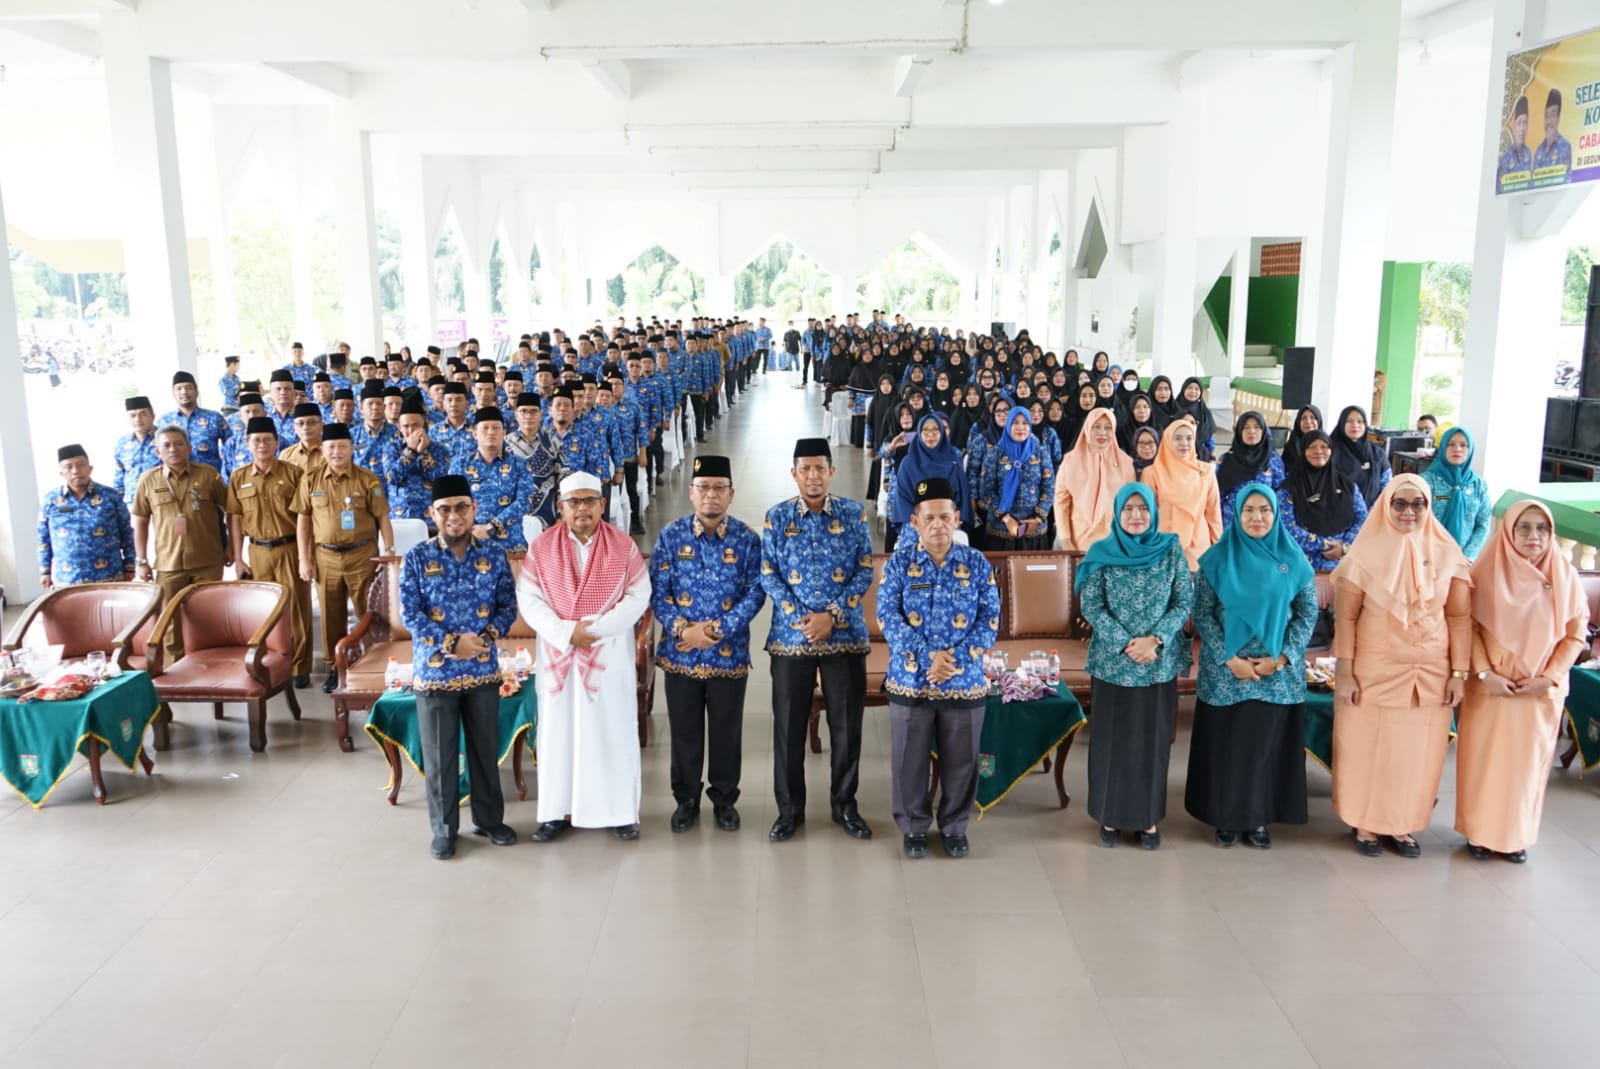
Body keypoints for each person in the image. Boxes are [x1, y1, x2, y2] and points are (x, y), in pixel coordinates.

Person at [1331, 475, 1472, 858]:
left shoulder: (1447, 553)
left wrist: (1459, 672)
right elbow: (1345, 619)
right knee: (1367, 748)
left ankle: (1403, 824)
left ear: (1428, 507)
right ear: (1386, 506)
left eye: (1418, 504)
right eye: (1400, 503)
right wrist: (1344, 670)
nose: (1409, 512)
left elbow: (1459, 618)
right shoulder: (1363, 554)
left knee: (1417, 754)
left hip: (1429, 673)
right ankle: (1365, 824)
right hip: (1372, 669)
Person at [518, 472, 651, 842]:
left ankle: (620, 812)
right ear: (560, 507)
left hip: (608, 655)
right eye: (573, 502)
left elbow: (639, 596)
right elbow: (529, 599)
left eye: (589, 501)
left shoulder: (622, 546)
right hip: (560, 654)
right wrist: (566, 633)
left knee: (613, 731)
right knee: (559, 734)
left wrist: (592, 631)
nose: (582, 509)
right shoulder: (541, 548)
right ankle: (556, 812)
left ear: (602, 505)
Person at [1186, 486, 1318, 848]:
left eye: (1265, 511)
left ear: (1276, 516)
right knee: (1228, 745)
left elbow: (1307, 614)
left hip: (1278, 673)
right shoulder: (1216, 559)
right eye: (1249, 510)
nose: (1257, 518)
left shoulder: (1294, 560)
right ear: (1237, 515)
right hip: (1227, 671)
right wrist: (1230, 659)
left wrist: (1283, 657)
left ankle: (1258, 818)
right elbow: (1203, 613)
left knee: (1264, 746)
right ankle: (1225, 817)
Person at [1456, 501, 1588, 863]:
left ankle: (1515, 836)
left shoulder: (1564, 575)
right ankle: (1479, 833)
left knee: (1526, 767)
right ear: (1509, 531)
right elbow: (1469, 625)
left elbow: (1576, 634)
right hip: (1492, 687)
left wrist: (1549, 677)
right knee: (1485, 761)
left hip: (1539, 691)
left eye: (1542, 528)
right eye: (1525, 527)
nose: (1534, 536)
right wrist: (1485, 673)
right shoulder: (1487, 571)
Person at [877, 476, 1000, 859]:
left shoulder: (977, 563)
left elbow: (990, 618)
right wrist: (928, 655)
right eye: (929, 518)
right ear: (914, 522)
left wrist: (955, 660)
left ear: (958, 518)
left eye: (945, 517)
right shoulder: (899, 563)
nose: (938, 526)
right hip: (911, 679)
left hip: (963, 681)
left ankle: (954, 826)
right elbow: (887, 616)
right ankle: (913, 826)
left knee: (963, 760)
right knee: (908, 761)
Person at [398, 474, 519, 860]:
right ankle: (445, 829)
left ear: (474, 510)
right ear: (432, 513)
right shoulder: (418, 557)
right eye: (445, 509)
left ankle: (489, 820)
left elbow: (507, 607)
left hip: (482, 668)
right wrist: (451, 642)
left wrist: (482, 638)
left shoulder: (494, 555)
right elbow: (410, 614)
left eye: (462, 507)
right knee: (440, 755)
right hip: (435, 673)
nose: (454, 516)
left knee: (485, 750)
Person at [760, 438, 875, 843]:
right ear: (794, 473)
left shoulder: (852, 514)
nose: (812, 475)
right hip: (791, 639)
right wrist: (801, 618)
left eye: (819, 468)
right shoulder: (777, 517)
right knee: (788, 728)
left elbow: (864, 570)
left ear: (831, 471)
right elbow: (768, 573)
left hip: (843, 636)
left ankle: (845, 806)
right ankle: (789, 811)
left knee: (846, 727)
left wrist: (833, 616)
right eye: (804, 468)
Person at [649, 455, 766, 834]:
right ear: (691, 493)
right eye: (703, 488)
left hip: (727, 654)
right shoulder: (670, 536)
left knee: (726, 731)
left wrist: (718, 629)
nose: (710, 496)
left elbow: (755, 593)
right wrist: (684, 630)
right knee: (683, 730)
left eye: (718, 488)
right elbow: (658, 593)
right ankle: (686, 800)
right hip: (681, 654)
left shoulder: (747, 540)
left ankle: (724, 800)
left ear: (731, 494)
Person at [1076, 484, 1194, 849]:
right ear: (1117, 513)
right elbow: (1091, 605)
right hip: (1113, 663)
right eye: (1128, 509)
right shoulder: (1101, 552)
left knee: (1152, 743)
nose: (1136, 516)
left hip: (1157, 664)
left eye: (1143, 508)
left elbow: (1183, 599)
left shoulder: (1171, 548)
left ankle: (1148, 819)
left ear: (1153, 512)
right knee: (1111, 741)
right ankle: (1110, 816)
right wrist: (1127, 643)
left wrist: (1155, 639)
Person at [295, 423, 394, 693]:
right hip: (325, 557)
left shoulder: (367, 479)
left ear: (351, 448)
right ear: (323, 450)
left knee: (369, 612)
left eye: (342, 446)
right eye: (331, 447)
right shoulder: (310, 480)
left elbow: (382, 516)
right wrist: (304, 559)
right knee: (330, 614)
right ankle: (333, 666)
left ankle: (372, 661)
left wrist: (389, 550)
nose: (336, 452)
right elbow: (303, 520)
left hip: (362, 555)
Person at [131, 426, 232, 663]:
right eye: (166, 445)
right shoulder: (148, 480)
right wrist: (141, 560)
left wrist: (231, 548)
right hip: (169, 563)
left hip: (208, 560)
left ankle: (209, 664)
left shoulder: (209, 475)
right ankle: (174, 669)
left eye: (178, 444)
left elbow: (231, 511)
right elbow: (141, 522)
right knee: (169, 622)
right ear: (157, 451)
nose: (173, 449)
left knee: (209, 617)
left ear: (189, 448)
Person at [226, 417, 314, 689]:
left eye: (267, 439)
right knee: (264, 611)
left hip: (289, 548)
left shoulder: (293, 473)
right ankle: (271, 663)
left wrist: (305, 557)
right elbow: (235, 518)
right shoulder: (238, 477)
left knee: (298, 610)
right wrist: (238, 557)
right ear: (247, 444)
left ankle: (300, 667)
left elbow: (304, 517)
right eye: (256, 440)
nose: (262, 444)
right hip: (258, 551)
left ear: (277, 443)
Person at [38, 444, 137, 588]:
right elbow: (43, 537)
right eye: (68, 467)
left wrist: (130, 566)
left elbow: (127, 532)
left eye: (81, 465)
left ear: (90, 468)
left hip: (108, 577)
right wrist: (45, 571)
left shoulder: (110, 497)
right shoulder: (51, 500)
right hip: (67, 579)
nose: (75, 471)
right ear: (61, 473)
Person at [1277, 431, 1367, 572]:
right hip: (1302, 567)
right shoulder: (1289, 487)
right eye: (1311, 447)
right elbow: (1284, 526)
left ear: (1331, 450)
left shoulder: (1347, 485)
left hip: (1343, 565)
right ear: (1303, 451)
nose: (1318, 451)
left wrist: (1345, 546)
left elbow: (1362, 517)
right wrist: (1322, 545)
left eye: (1324, 446)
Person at [453, 407, 537, 554]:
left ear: (504, 433)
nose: (491, 432)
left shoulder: (519, 463)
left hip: (510, 543)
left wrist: (491, 527)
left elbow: (525, 501)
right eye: (485, 428)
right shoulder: (460, 465)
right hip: (470, 540)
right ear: (474, 433)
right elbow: (453, 502)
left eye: (496, 428)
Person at [1143, 419, 1222, 570]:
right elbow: (1148, 516)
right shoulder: (1152, 473)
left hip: (1199, 550)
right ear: (1167, 440)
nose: (1184, 443)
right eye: (1177, 438)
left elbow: (1213, 513)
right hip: (1163, 548)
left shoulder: (1205, 471)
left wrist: (1218, 549)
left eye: (1189, 438)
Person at [1053, 408, 1135, 552]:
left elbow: (1130, 503)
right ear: (1087, 428)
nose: (1102, 432)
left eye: (1108, 427)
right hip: (1078, 540)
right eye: (1096, 426)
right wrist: (1065, 540)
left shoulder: (1125, 462)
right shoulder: (1070, 460)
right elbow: (1061, 502)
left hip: (1114, 539)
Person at [892, 413, 970, 545]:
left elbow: (961, 497)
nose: (931, 435)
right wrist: (921, 523)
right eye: (926, 430)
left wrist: (950, 520)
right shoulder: (908, 463)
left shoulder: (952, 462)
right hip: (916, 522)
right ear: (919, 433)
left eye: (935, 430)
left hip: (948, 520)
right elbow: (903, 499)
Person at [981, 409, 1054, 550]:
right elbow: (986, 490)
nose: (1020, 427)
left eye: (1025, 423)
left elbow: (1049, 487)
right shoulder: (995, 453)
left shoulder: (1040, 451)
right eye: (1015, 423)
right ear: (1008, 425)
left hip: (1034, 530)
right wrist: (1006, 519)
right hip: (1000, 531)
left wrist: (1038, 518)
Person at [1422, 427, 1492, 560]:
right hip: (1428, 556)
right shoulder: (1426, 481)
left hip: (1464, 560)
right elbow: (1417, 521)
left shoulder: (1478, 485)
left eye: (1463, 445)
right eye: (1451, 444)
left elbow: (1483, 524)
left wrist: (1467, 557)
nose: (1457, 449)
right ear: (1443, 448)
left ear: (1470, 449)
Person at [1215, 411, 1285, 526]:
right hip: (1232, 524)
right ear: (1239, 432)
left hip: (1263, 525)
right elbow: (1217, 496)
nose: (1251, 431)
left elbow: (1280, 493)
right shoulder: (1227, 459)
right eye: (1246, 427)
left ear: (1263, 431)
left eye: (1257, 427)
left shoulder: (1272, 459)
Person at [158, 371, 231, 472]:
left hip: (210, 479)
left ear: (197, 392)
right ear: (173, 394)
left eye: (189, 388)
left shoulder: (214, 418)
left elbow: (231, 446)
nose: (184, 392)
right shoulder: (164, 422)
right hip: (177, 481)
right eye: (179, 389)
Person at [1330, 405, 1389, 508]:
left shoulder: (1377, 454)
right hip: (1336, 516)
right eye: (1349, 421)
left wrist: (1374, 512)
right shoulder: (1328, 452)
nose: (1355, 425)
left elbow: (1386, 487)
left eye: (1360, 421)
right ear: (1342, 423)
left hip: (1372, 516)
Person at [113, 396, 161, 508]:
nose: (137, 419)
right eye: (132, 415)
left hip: (161, 501)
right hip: (132, 504)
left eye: (143, 414)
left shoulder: (166, 438)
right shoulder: (122, 444)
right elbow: (119, 478)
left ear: (152, 416)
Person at [1532, 87, 1571, 178]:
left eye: (1553, 114)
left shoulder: (1564, 146)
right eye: (1546, 115)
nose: (1548, 121)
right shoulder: (1538, 150)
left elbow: (1566, 179)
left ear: (1558, 118)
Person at [1497, 95, 1533, 192]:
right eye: (1519, 123)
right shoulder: (1505, 159)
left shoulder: (1530, 154)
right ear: (1514, 127)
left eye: (1525, 122)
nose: (1522, 128)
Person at [1177, 377, 1216, 459]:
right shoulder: (1173, 409)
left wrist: (1211, 456)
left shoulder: (1205, 412)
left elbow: (1210, 439)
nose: (1193, 391)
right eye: (1189, 388)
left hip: (1200, 456)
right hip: (1176, 454)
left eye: (1197, 389)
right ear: (1183, 389)